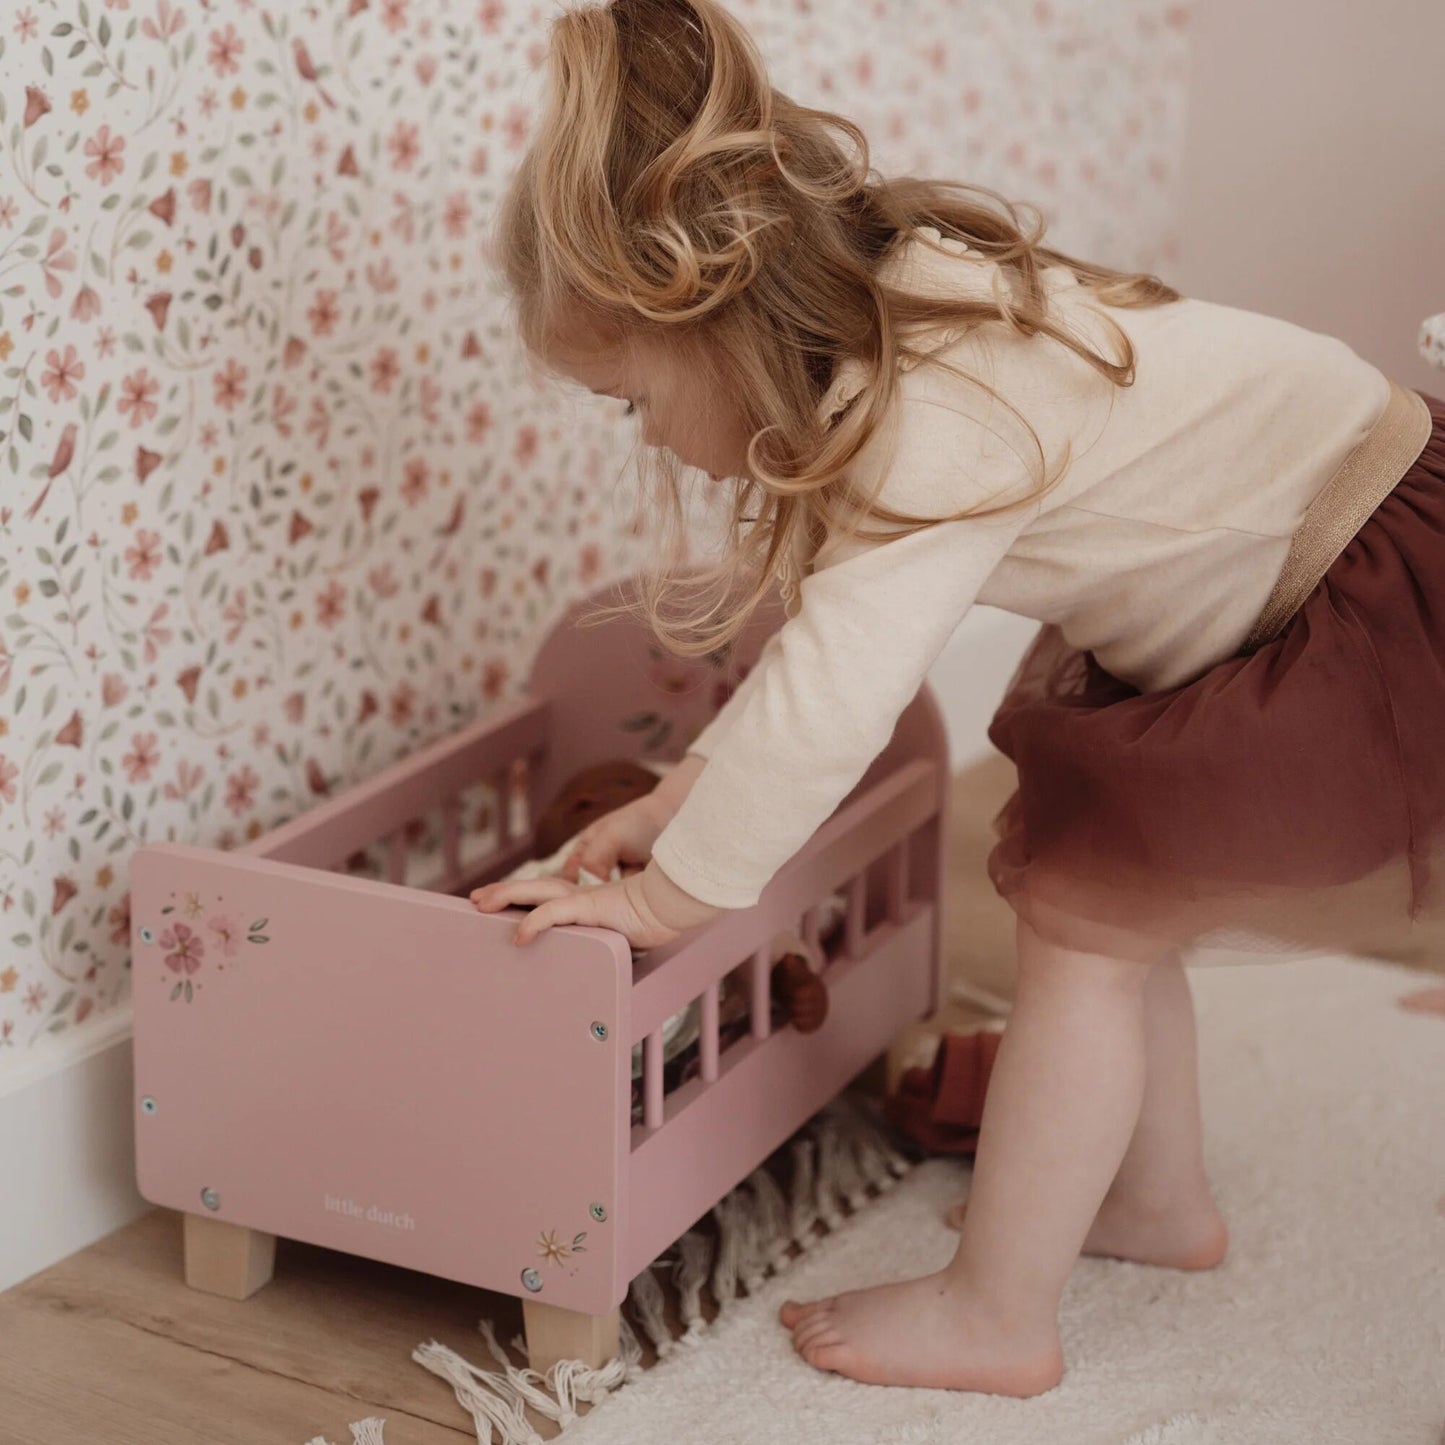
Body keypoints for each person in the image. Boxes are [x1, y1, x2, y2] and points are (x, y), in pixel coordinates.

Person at [467, 0, 1444, 1396]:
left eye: (630, 403)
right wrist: (684, 803)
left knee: (1089, 934)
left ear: (707, 313)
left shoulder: (929, 414)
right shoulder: (898, 311)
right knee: (1115, 909)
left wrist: (668, 901)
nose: (649, 443)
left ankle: (1000, 1309)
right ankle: (1152, 1203)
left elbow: (832, 700)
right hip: (1311, 563)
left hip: (1360, 588)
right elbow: (815, 657)